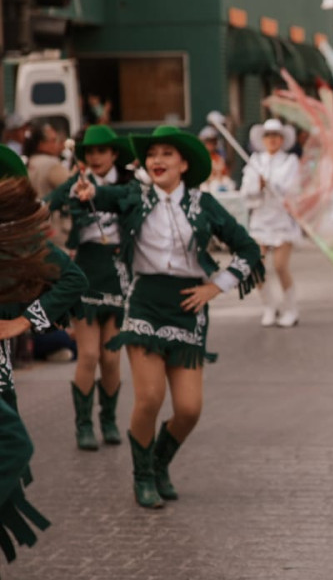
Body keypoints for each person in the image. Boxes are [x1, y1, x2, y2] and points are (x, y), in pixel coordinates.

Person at [74, 125, 264, 509]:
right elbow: (102, 195)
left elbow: (249, 249)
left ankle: (158, 462)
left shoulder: (204, 204)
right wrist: (89, 192)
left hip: (189, 308)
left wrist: (216, 286)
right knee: (149, 397)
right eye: (152, 154)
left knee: (190, 409)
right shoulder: (133, 196)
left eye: (166, 154)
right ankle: (142, 476)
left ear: (183, 164)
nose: (157, 160)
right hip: (144, 302)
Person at [0, 147, 87, 562]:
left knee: (10, 451)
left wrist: (24, 321)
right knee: (12, 444)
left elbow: (72, 279)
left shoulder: (18, 242)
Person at [46, 125, 135, 450]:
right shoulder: (76, 183)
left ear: (114, 154)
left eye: (102, 151)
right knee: (88, 354)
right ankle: (83, 426)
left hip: (117, 273)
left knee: (111, 358)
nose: (95, 157)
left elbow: (132, 203)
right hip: (85, 273)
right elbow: (46, 204)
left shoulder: (129, 185)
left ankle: (108, 420)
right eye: (90, 152)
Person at [241, 119, 302, 328]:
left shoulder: (291, 161)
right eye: (268, 136)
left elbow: (294, 190)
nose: (272, 140)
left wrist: (273, 185)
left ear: (282, 139)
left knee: (280, 266)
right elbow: (246, 192)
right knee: (256, 266)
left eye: (276, 135)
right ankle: (268, 305)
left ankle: (291, 308)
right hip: (260, 220)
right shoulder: (254, 161)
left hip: (283, 221)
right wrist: (257, 186)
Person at [24, 120, 69, 200]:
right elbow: (70, 185)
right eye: (53, 140)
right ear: (41, 144)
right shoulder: (51, 163)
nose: (57, 144)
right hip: (50, 211)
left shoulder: (30, 161)